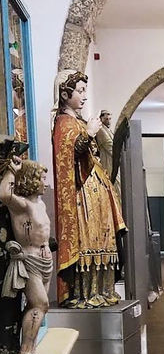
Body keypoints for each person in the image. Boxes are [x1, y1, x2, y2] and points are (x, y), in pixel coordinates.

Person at [52, 70, 126, 308]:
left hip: (94, 190)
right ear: (65, 94)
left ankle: (102, 290)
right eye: (80, 91)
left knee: (101, 238)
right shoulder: (64, 123)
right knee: (89, 241)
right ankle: (86, 292)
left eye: (85, 91)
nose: (84, 96)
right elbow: (70, 155)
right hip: (81, 193)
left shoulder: (78, 122)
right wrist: (90, 134)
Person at [0, 155, 52, 354]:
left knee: (38, 307)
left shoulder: (40, 204)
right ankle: (23, 353)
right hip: (30, 261)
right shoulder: (22, 205)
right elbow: (4, 194)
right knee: (40, 303)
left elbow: (43, 231)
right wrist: (12, 170)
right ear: (30, 179)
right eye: (41, 178)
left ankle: (31, 350)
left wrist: (47, 246)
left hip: (45, 261)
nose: (45, 183)